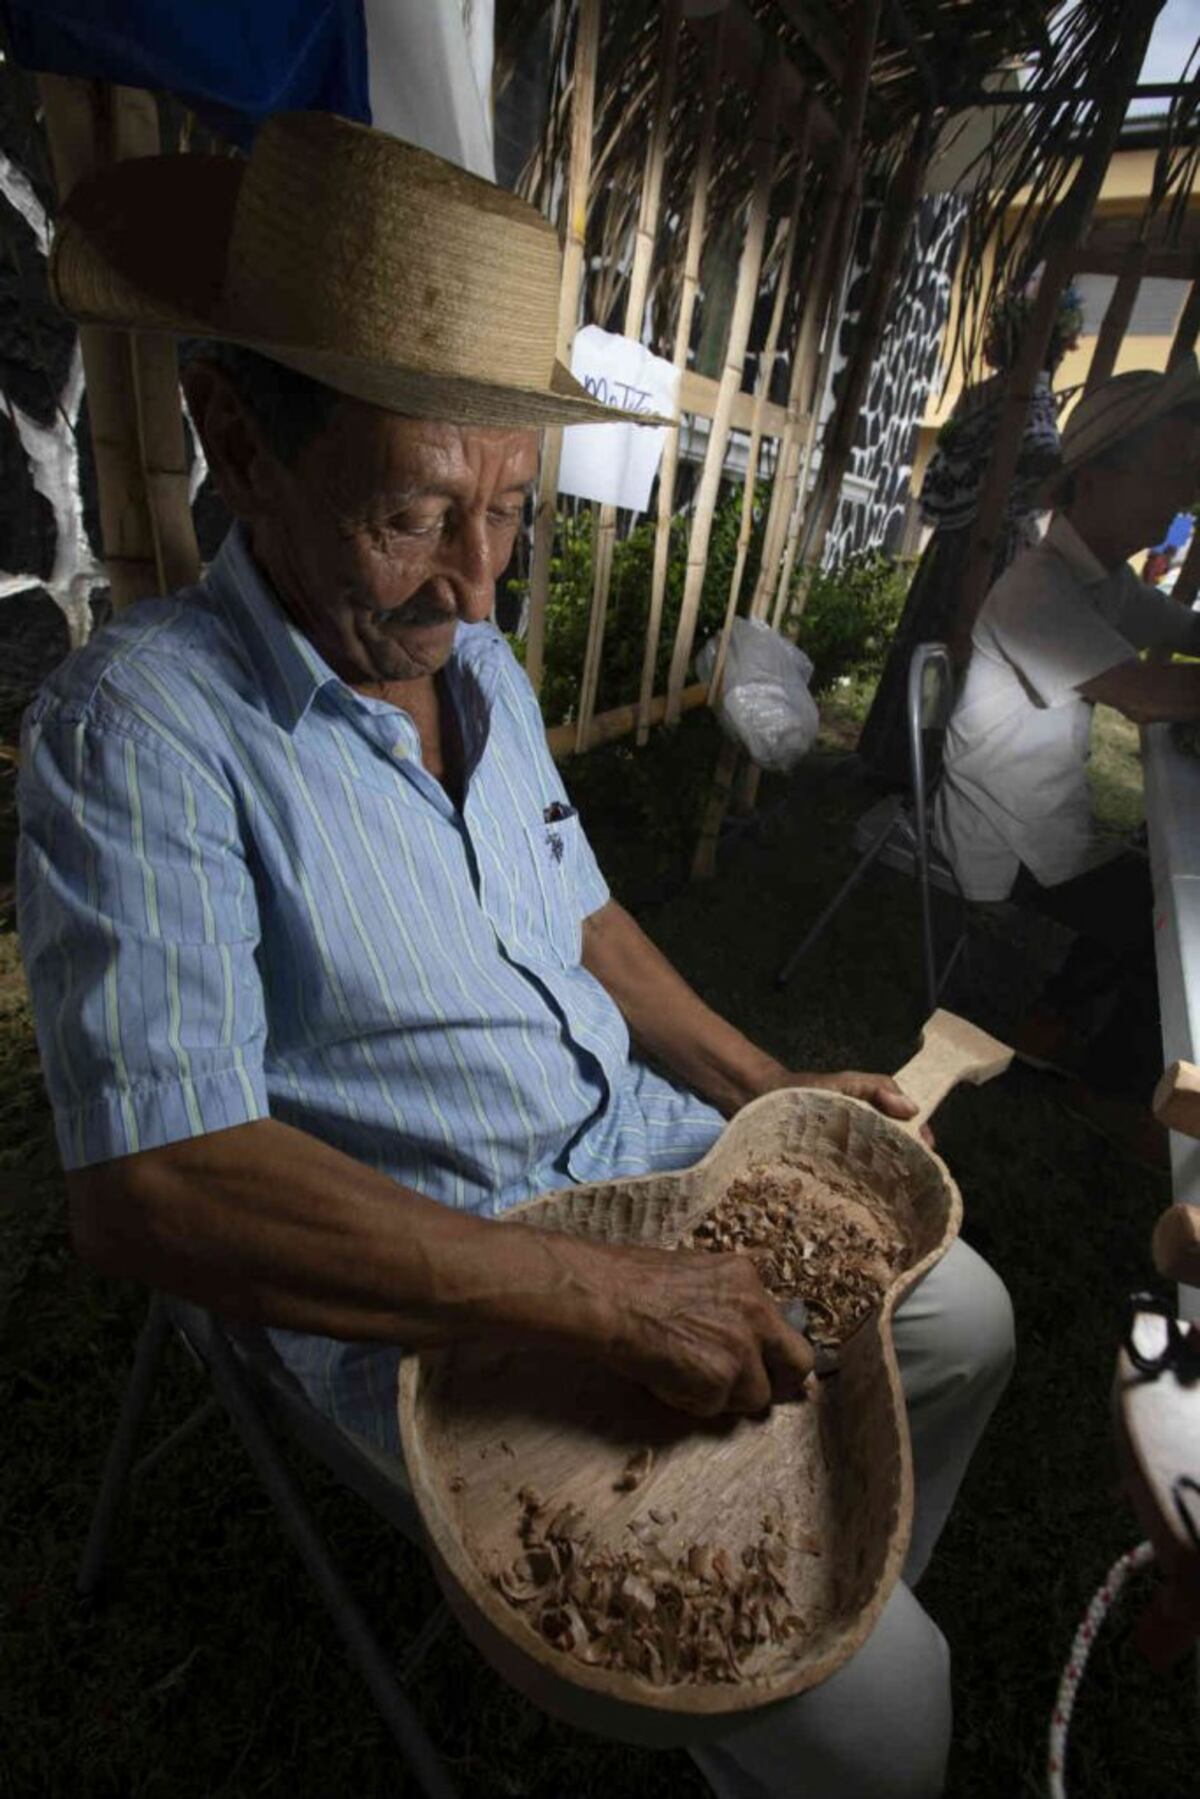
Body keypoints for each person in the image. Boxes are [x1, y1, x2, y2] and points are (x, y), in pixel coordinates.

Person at [18, 113, 1012, 1798]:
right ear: (237, 435)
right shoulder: (144, 733)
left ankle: (776, 1625)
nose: (478, 589)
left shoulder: (481, 672)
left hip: (643, 1164)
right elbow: (159, 1186)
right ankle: (805, 1676)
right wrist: (609, 1295)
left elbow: (582, 916)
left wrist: (769, 1092)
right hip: (451, 1274)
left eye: (508, 512)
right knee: (895, 1723)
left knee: (968, 1315)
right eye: (414, 513)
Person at [935, 359, 1200, 1146]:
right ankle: (1115, 1092)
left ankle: (1051, 1022)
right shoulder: (1039, 588)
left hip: (1037, 831)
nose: (1182, 495)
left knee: (1150, 879)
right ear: (1095, 480)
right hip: (1005, 846)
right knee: (1169, 925)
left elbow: (1182, 632)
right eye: (1170, 471)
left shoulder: (1098, 581)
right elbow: (1147, 694)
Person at [856, 275, 1082, 784]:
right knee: (944, 646)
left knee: (967, 656)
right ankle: (913, 762)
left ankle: (926, 764)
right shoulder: (1007, 402)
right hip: (980, 548)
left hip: (981, 547)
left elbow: (966, 478)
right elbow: (976, 473)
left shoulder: (1018, 402)